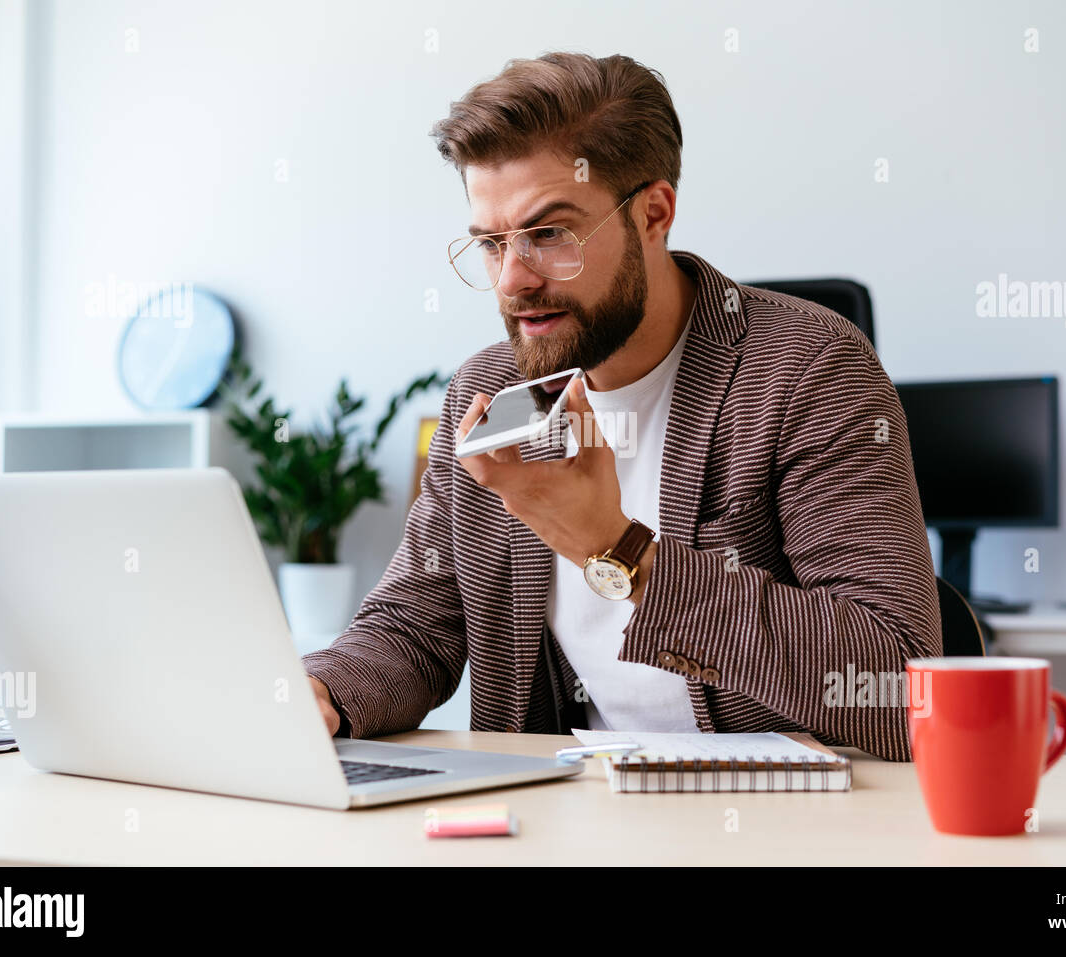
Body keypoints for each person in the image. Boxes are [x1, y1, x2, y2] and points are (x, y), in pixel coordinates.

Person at [303, 51, 942, 761]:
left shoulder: (807, 370)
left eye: (549, 234)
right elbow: (414, 627)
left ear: (654, 213)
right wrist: (322, 693)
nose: (513, 280)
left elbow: (894, 681)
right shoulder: (488, 393)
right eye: (490, 244)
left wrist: (619, 549)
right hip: (566, 814)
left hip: (772, 819)